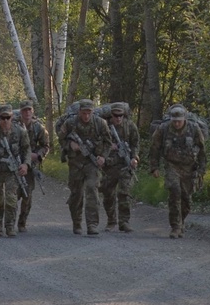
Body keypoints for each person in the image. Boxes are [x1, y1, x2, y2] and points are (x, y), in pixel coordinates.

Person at [149, 105, 207, 238]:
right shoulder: (163, 129)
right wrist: (154, 167)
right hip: (171, 166)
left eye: (179, 121)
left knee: (186, 199)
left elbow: (202, 150)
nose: (176, 123)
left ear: (184, 119)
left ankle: (181, 222)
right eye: (174, 121)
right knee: (175, 192)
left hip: (189, 167)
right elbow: (154, 149)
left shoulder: (194, 128)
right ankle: (175, 226)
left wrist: (202, 169)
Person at [59, 99, 111, 235]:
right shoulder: (70, 123)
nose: (86, 116)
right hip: (75, 164)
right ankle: (77, 222)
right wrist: (70, 145)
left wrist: (103, 157)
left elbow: (108, 142)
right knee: (76, 194)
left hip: (92, 164)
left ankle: (92, 224)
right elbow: (61, 138)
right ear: (79, 112)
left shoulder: (100, 124)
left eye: (89, 113)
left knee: (92, 191)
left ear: (92, 112)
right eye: (83, 113)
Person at [0, 107, 29, 237]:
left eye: (8, 117)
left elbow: (26, 149)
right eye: (3, 118)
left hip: (12, 172)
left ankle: (10, 226)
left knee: (11, 199)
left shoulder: (19, 132)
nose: (5, 120)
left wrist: (25, 164)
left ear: (12, 117)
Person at [101, 102, 139, 232]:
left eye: (120, 115)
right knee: (108, 194)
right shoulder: (104, 126)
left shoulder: (130, 126)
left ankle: (124, 222)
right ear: (111, 115)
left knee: (124, 193)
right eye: (115, 115)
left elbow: (135, 144)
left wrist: (134, 158)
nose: (118, 118)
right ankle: (111, 221)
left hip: (125, 165)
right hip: (109, 166)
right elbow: (96, 142)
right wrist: (107, 146)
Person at [16, 101, 49, 232]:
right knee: (12, 195)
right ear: (21, 112)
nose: (27, 113)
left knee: (27, 195)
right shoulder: (14, 126)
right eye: (24, 110)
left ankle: (22, 222)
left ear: (33, 111)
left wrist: (38, 155)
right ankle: (9, 222)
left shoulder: (38, 128)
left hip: (30, 168)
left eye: (29, 110)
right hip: (14, 166)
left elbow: (46, 146)